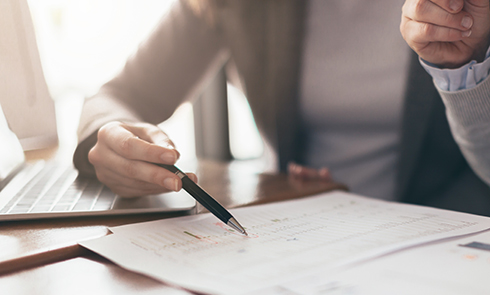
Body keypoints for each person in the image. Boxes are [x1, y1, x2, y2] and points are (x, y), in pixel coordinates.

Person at [74, 0, 490, 215]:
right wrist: (111, 137)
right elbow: (119, 96)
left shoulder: (469, 10)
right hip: (294, 243)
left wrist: (463, 67)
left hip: (445, 245)